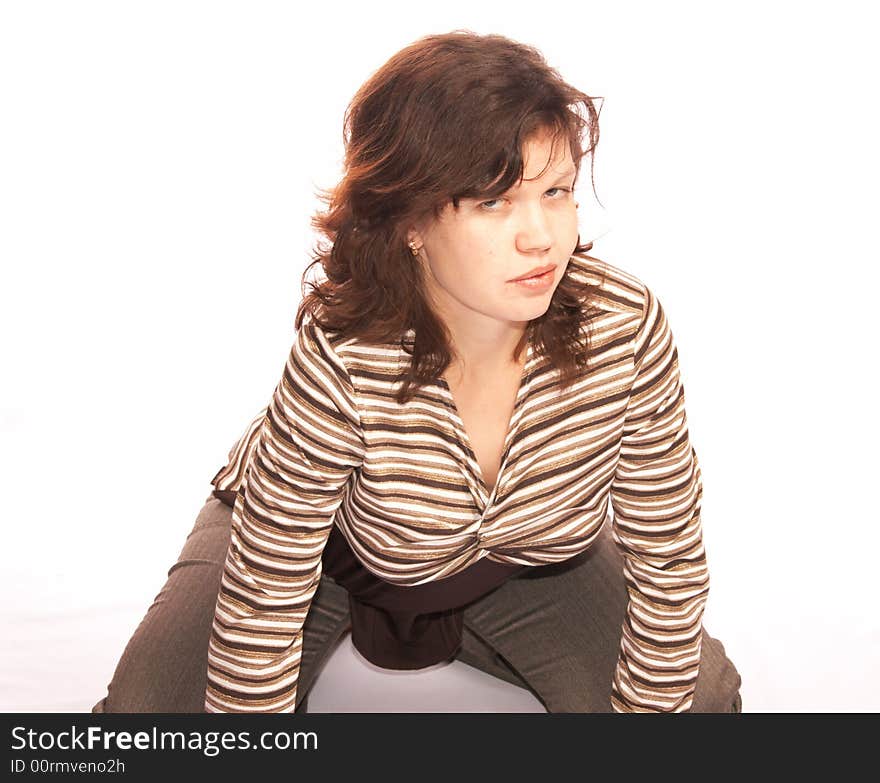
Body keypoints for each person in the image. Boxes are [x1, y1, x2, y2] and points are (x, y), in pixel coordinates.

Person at [93, 29, 742, 714]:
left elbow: (668, 547)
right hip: (323, 554)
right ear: (409, 220)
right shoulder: (343, 353)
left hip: (527, 562)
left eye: (556, 191)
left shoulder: (625, 325)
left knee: (698, 704)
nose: (540, 235)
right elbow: (268, 582)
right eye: (492, 201)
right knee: (146, 723)